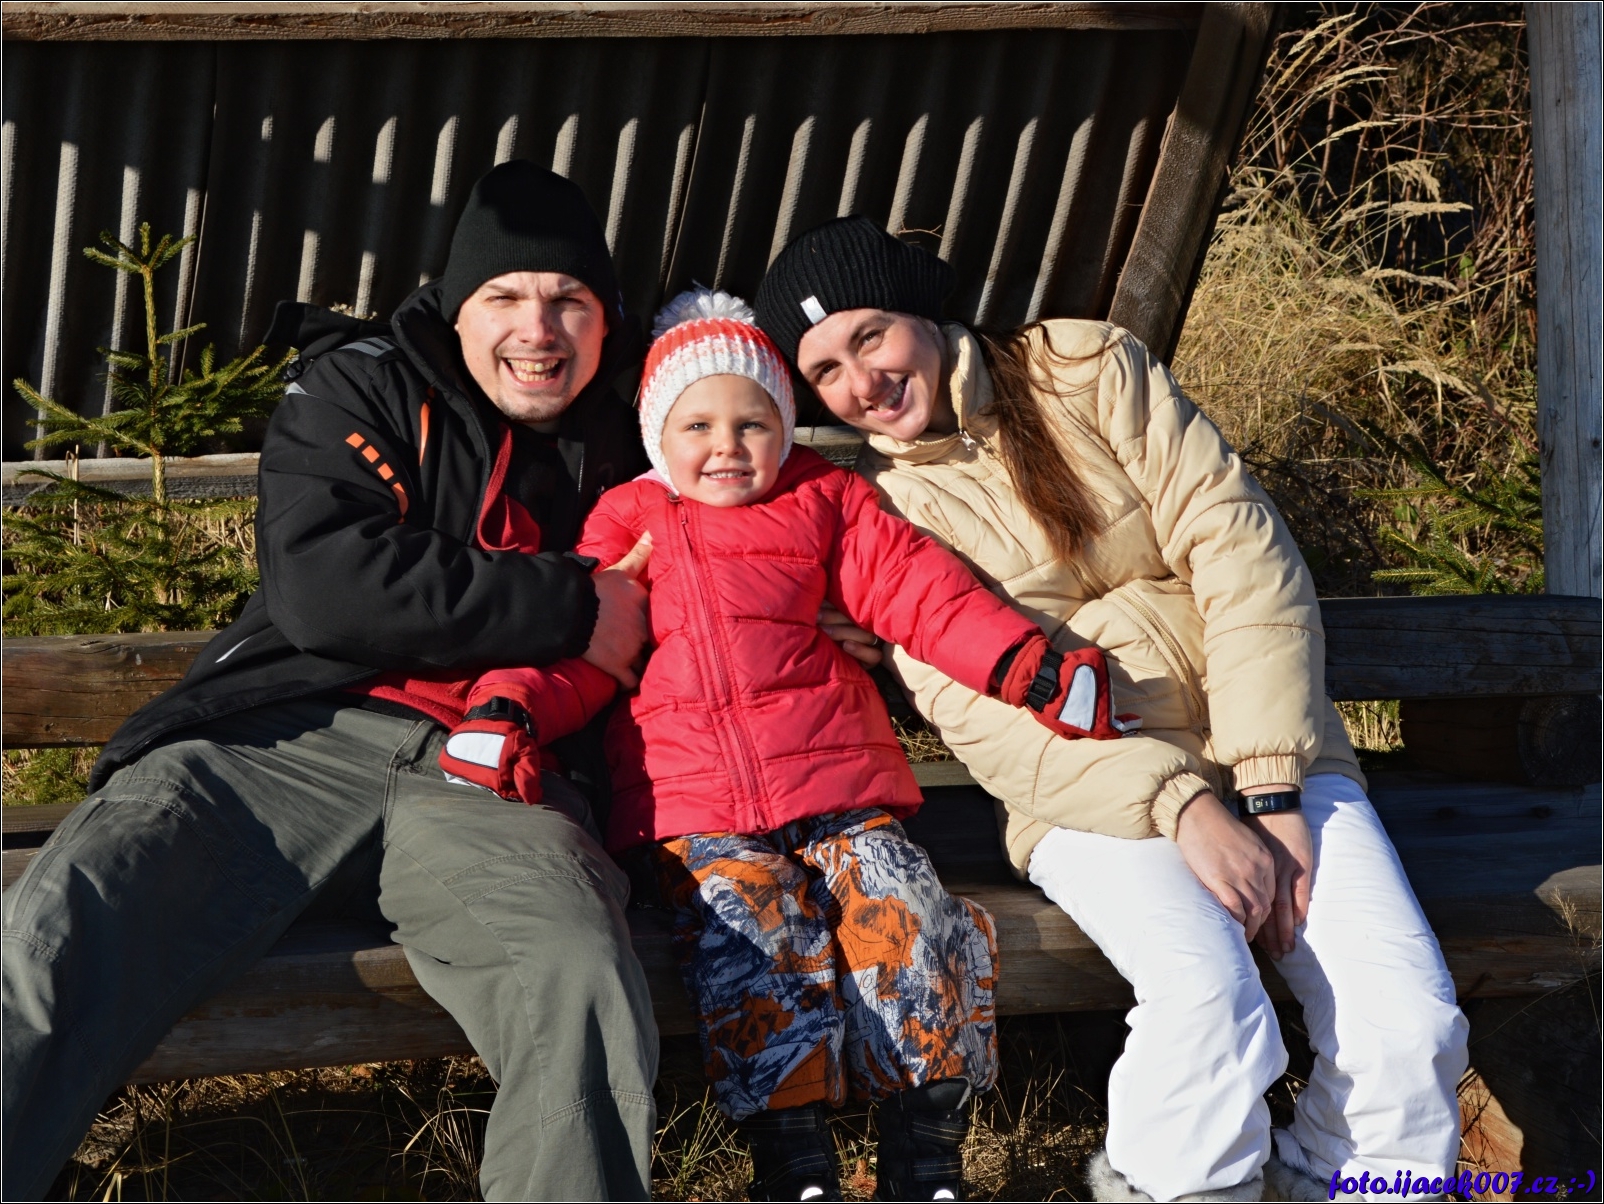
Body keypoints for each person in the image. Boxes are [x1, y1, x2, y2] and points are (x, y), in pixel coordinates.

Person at [751, 217, 1471, 1204]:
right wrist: (1182, 803)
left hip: (1268, 749)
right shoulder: (876, 515)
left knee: (1409, 1026)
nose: (860, 382)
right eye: (824, 371)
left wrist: (1268, 788)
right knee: (1211, 1004)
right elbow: (986, 722)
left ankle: (1332, 1180)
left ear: (917, 310)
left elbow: (1239, 547)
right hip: (1089, 796)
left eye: (868, 336)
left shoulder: (1083, 371)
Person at [3, 160, 672, 1201]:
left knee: (577, 972)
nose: (537, 329)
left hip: (494, 775)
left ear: (607, 317)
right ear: (456, 307)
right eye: (503, 296)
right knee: (70, 919)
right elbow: (328, 588)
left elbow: (762, 484)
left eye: (569, 300)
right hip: (280, 745)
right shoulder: (361, 384)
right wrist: (577, 602)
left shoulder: (644, 425)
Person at [436, 287, 1133, 1202]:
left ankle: (925, 1155)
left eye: (753, 423)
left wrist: (1028, 668)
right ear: (657, 436)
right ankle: (792, 1161)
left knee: (913, 911)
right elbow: (578, 644)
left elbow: (923, 595)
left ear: (784, 427)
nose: (727, 446)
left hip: (839, 791)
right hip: (696, 813)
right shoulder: (631, 521)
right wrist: (509, 713)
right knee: (753, 928)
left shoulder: (825, 500)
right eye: (698, 425)